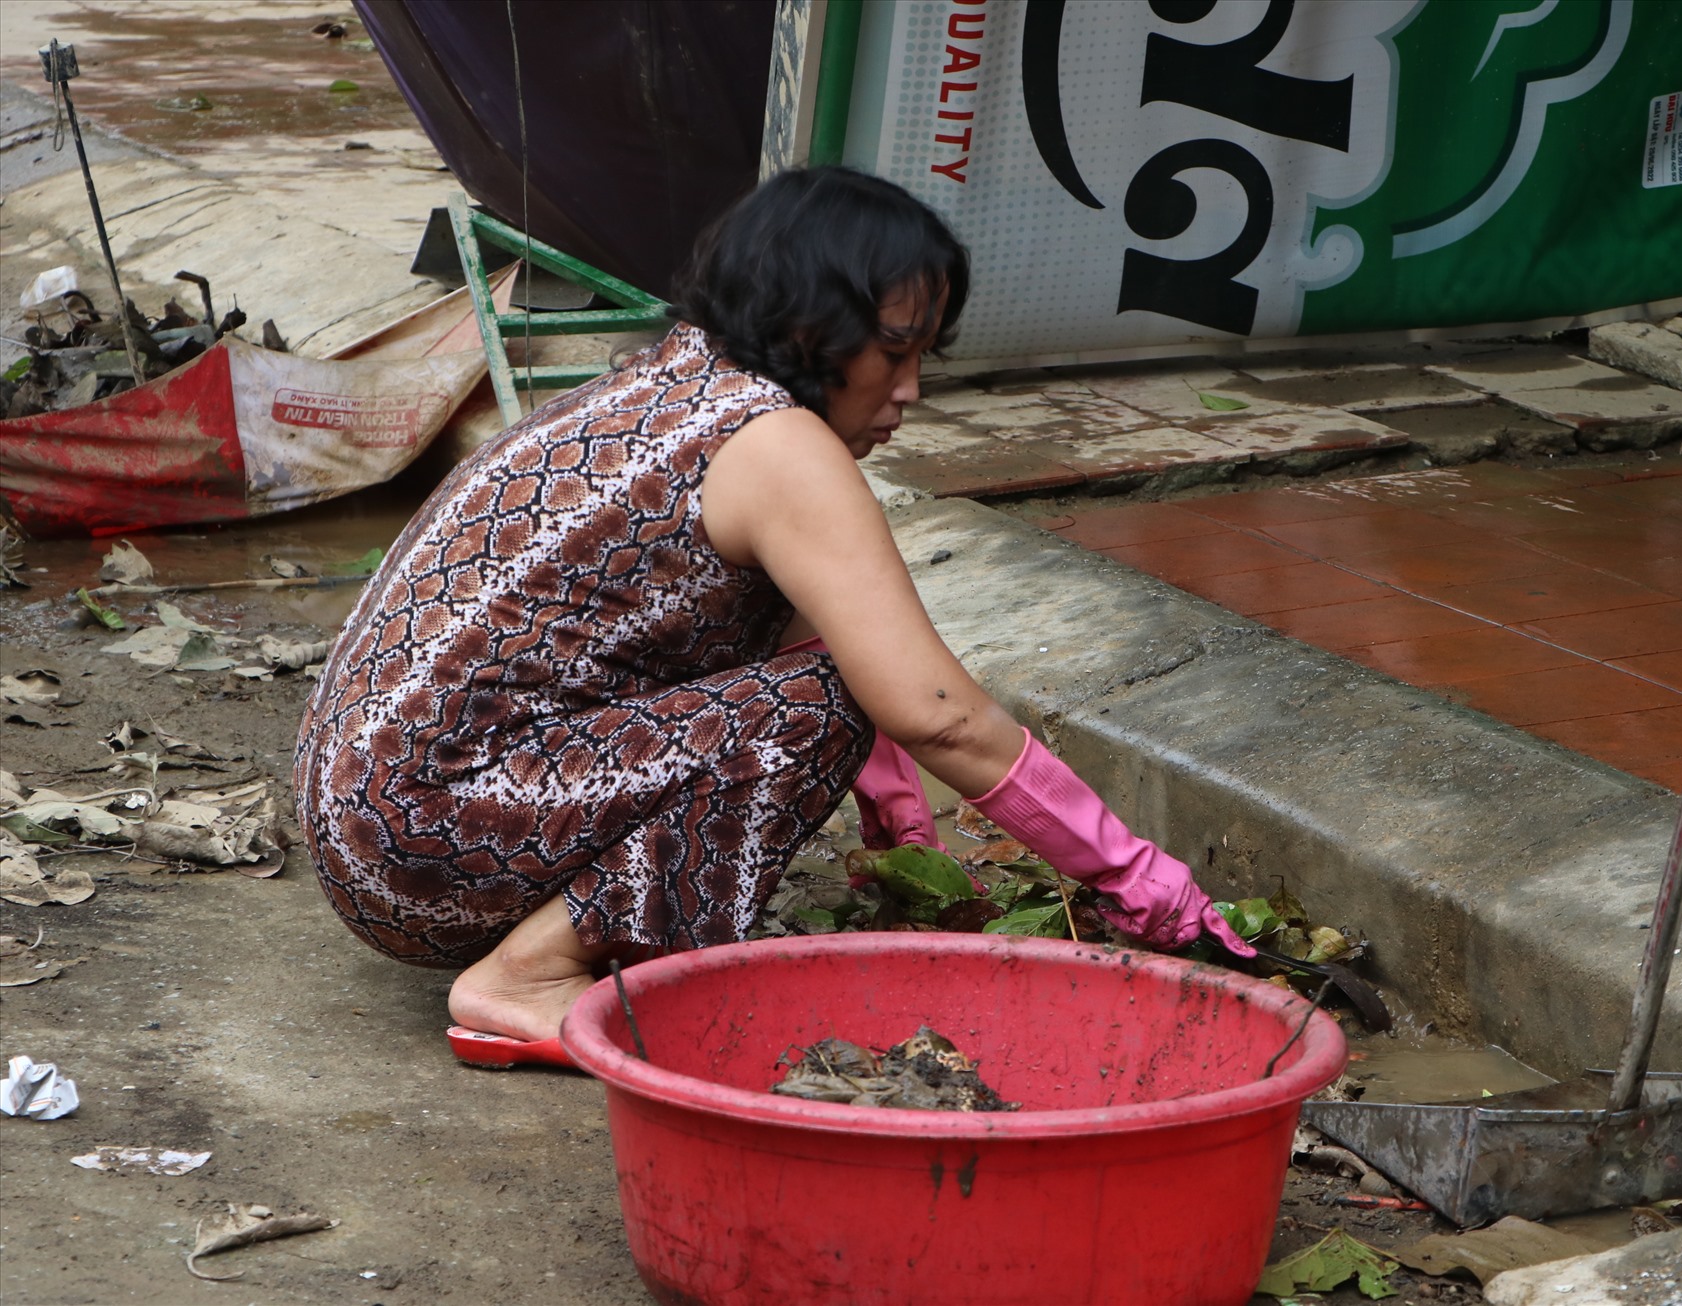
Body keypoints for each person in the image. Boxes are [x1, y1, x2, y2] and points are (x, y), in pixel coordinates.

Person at [292, 166, 1251, 1065]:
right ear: (810, 331)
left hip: (369, 828)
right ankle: (527, 972)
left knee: (825, 686)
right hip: (426, 845)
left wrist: (907, 848)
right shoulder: (774, 441)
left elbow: (810, 649)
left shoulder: (670, 386)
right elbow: (932, 711)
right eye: (895, 352)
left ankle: (557, 937)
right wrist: (1137, 880)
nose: (910, 392)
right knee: (831, 696)